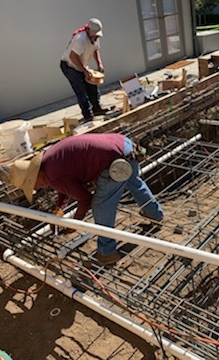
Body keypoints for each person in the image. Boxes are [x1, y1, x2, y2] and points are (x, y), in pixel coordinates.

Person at [9, 133, 164, 265]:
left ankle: (107, 252)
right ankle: (156, 215)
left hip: (112, 161)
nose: (37, 189)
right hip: (125, 146)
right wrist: (60, 207)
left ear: (35, 176)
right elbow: (65, 185)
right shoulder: (50, 161)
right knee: (134, 182)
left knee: (100, 206)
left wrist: (76, 222)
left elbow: (85, 198)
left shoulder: (53, 176)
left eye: (33, 185)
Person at [60, 18, 111, 122]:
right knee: (81, 90)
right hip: (70, 65)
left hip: (81, 65)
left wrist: (99, 64)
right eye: (95, 35)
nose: (96, 37)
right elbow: (73, 57)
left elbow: (95, 50)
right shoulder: (80, 39)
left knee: (92, 85)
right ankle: (88, 115)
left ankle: (96, 108)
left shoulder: (95, 37)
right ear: (88, 31)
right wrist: (85, 71)